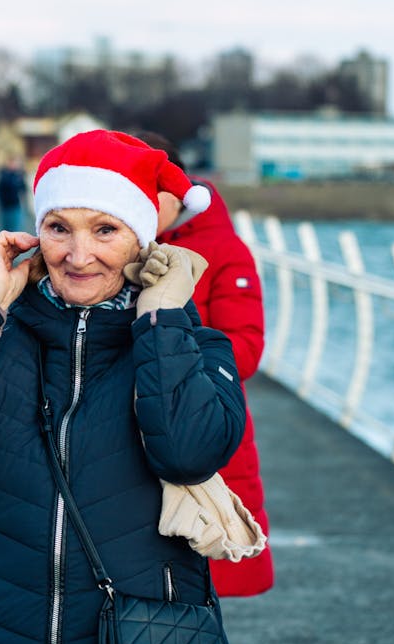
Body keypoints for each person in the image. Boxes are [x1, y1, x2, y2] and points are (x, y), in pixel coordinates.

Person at [0, 130, 248, 644]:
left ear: (142, 240)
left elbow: (189, 452)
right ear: (36, 233)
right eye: (58, 228)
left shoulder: (193, 345)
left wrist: (162, 320)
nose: (78, 254)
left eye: (105, 230)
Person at [135, 130, 274, 597]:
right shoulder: (122, 247)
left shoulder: (222, 249)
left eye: (149, 191)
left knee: (198, 585)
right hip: (135, 435)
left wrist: (170, 358)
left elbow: (246, 348)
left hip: (201, 427)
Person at [0, 156, 27, 232]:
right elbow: (0, 190)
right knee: (6, 227)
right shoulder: (4, 175)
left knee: (15, 227)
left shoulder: (19, 175)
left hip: (15, 205)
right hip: (5, 206)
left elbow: (23, 189)